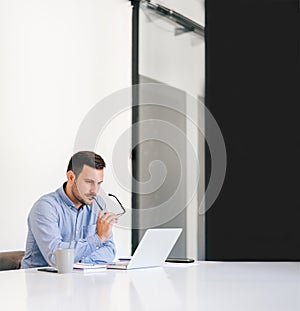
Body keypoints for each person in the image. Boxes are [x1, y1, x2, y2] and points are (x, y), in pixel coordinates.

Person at [21, 151, 118, 268]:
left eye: (99, 183)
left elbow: (109, 250)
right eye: (89, 182)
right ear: (71, 177)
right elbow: (56, 258)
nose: (95, 190)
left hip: (76, 279)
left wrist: (77, 260)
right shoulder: (45, 207)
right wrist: (98, 239)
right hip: (40, 280)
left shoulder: (97, 204)